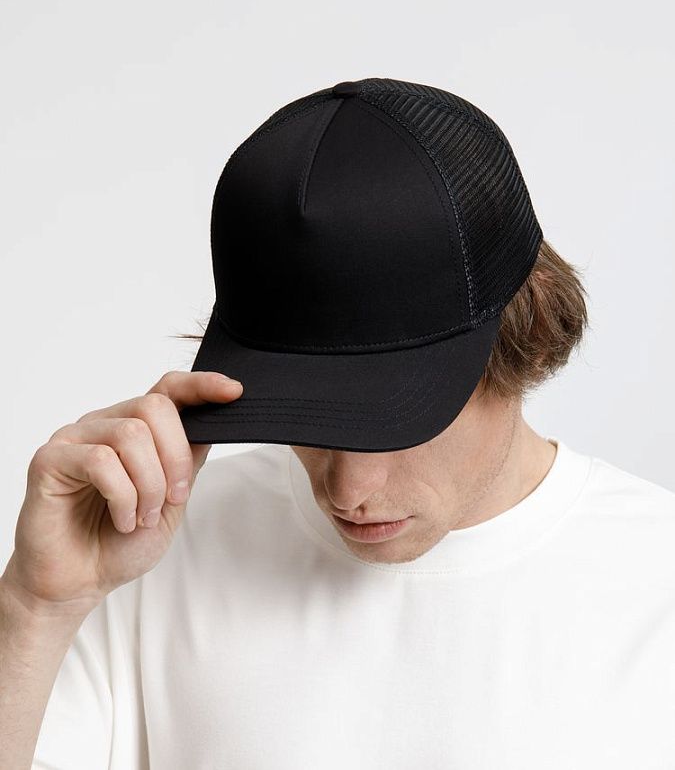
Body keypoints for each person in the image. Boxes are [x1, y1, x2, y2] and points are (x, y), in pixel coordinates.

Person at [2, 78, 674, 769]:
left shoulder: (656, 585)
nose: (349, 490)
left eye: (399, 420)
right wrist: (35, 607)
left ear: (523, 335)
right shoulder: (142, 548)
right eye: (309, 415)